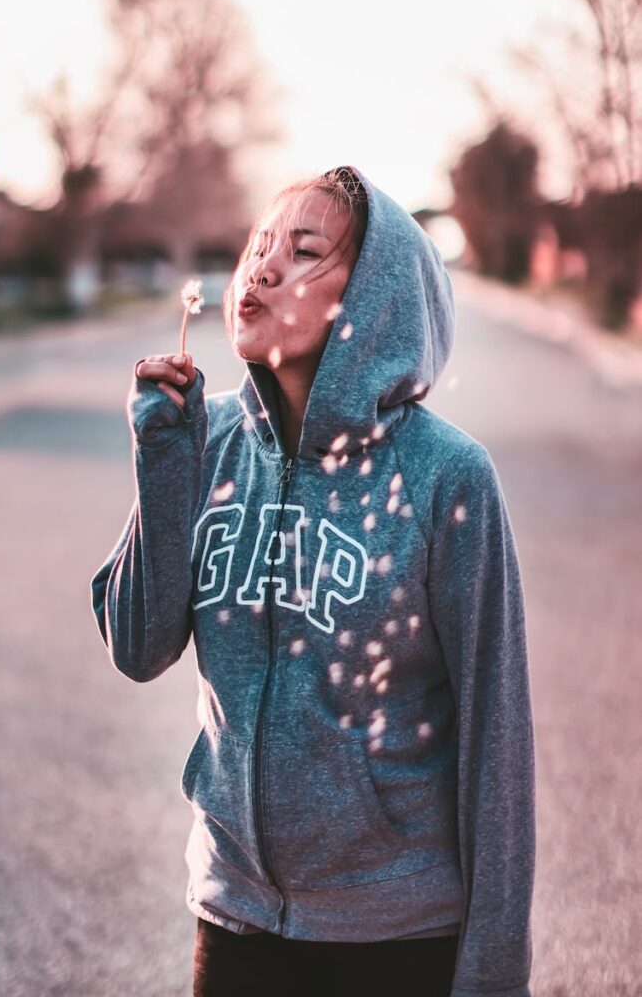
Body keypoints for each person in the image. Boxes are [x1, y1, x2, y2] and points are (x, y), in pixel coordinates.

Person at [90, 165, 536, 997]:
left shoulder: (445, 479)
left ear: (370, 301)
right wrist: (161, 460)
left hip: (394, 935)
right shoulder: (205, 438)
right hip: (234, 917)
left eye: (303, 252)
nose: (260, 268)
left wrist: (492, 976)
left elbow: (495, 742)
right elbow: (138, 645)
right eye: (259, 246)